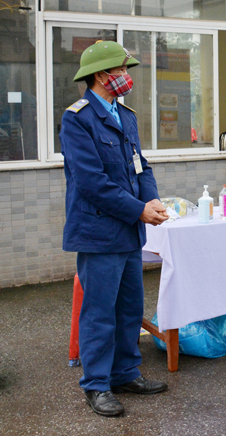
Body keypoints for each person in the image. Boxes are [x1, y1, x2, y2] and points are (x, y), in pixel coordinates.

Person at [61, 41, 169, 417]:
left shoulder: (126, 115)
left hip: (127, 231)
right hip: (98, 232)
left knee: (128, 308)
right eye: (121, 71)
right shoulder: (77, 119)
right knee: (99, 311)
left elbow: (142, 166)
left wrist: (151, 201)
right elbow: (91, 182)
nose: (127, 78)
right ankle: (96, 385)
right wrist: (139, 210)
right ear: (101, 75)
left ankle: (125, 373)